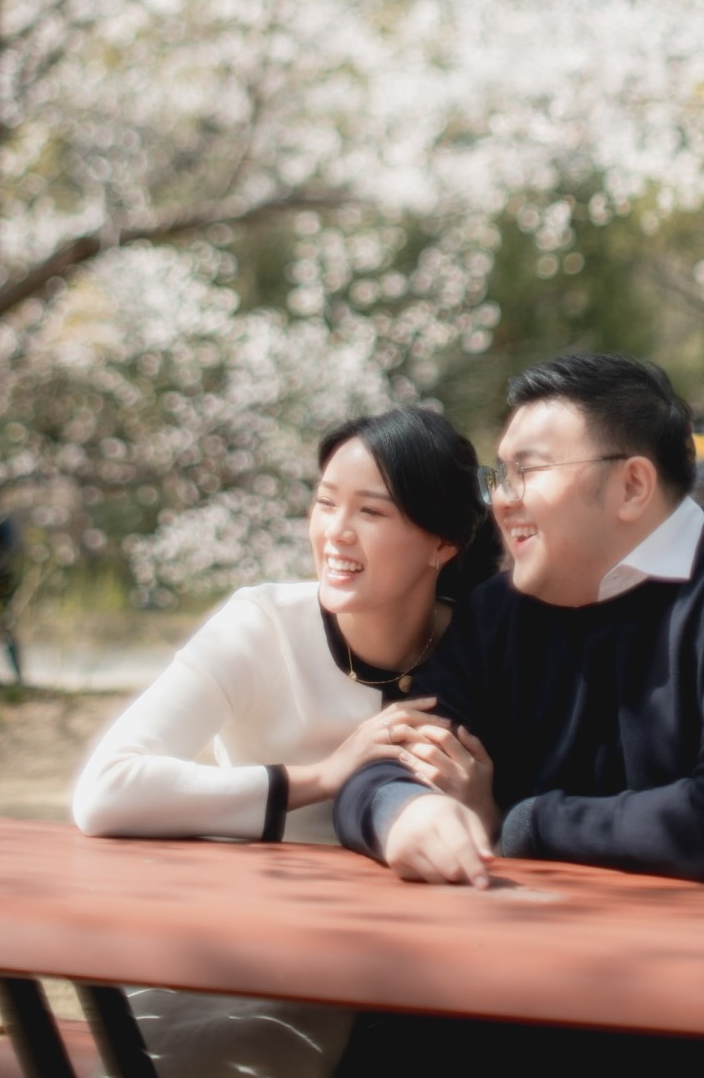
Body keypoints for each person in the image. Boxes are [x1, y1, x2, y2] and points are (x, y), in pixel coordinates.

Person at [334, 352, 704, 1078]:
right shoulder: (499, 613)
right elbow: (380, 762)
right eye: (498, 475)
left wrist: (521, 822)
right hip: (565, 974)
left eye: (527, 472)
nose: (501, 501)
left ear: (632, 485)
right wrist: (405, 813)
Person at [71, 406, 500, 1078]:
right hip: (239, 945)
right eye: (326, 503)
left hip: (410, 967)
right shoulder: (262, 626)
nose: (335, 531)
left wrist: (482, 811)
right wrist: (323, 777)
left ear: (442, 544)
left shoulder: (480, 650)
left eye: (370, 512)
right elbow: (106, 790)